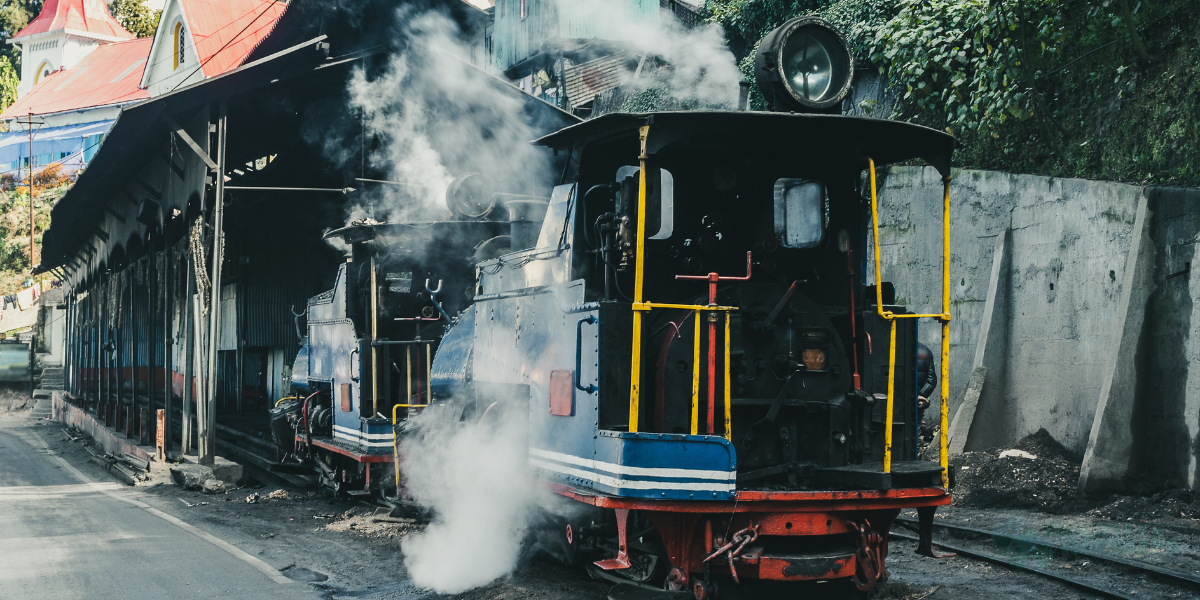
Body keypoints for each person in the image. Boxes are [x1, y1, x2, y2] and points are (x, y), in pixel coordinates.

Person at [916, 342, 937, 443]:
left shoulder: (892, 347)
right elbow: (931, 380)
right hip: (916, 403)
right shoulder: (924, 351)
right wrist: (919, 396)